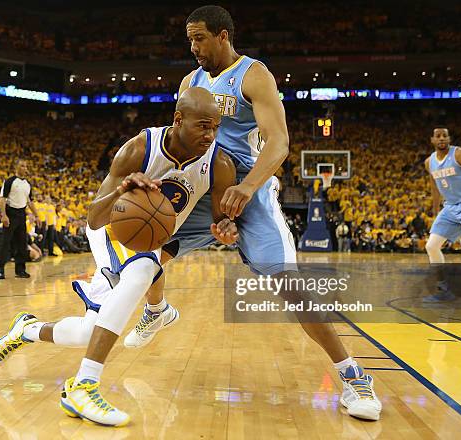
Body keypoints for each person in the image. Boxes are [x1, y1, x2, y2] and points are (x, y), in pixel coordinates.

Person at [124, 5, 381, 421]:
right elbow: (180, 137)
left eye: (199, 38)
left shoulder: (253, 74)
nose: (193, 47)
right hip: (200, 184)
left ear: (223, 36)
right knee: (146, 254)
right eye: (189, 39)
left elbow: (278, 142)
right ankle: (157, 311)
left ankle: (352, 375)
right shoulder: (190, 81)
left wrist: (246, 187)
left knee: (288, 285)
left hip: (247, 185)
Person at [0, 87, 238, 426]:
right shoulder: (139, 149)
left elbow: (220, 219)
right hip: (112, 228)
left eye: (215, 127)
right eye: (203, 126)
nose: (210, 135)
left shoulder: (219, 164)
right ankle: (83, 385)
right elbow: (93, 217)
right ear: (178, 120)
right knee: (143, 269)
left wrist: (225, 229)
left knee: (92, 333)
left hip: (148, 238)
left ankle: (27, 329)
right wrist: (122, 191)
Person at [423, 128, 461, 301]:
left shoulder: (460, 155)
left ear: (449, 138)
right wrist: (436, 210)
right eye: (438, 136)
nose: (442, 138)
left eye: (445, 135)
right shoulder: (429, 162)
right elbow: (435, 188)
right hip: (450, 207)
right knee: (431, 246)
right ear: (432, 140)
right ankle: (442, 289)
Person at [0, 160, 39, 279]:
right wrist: (4, 215)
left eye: (26, 166)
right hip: (10, 213)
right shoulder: (10, 181)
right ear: (16, 167)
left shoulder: (27, 184)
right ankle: (0, 269)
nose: (25, 168)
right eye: (22, 165)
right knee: (6, 242)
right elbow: (3, 199)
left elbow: (30, 202)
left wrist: (37, 215)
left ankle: (20, 270)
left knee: (22, 243)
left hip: (21, 214)